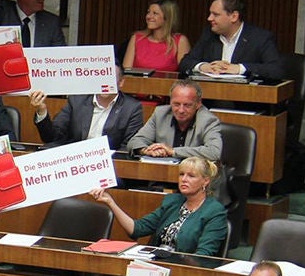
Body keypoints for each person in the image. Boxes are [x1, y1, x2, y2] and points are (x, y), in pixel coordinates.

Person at [89, 156, 227, 255]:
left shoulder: (214, 212)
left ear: (205, 181)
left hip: (183, 272)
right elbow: (136, 229)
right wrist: (110, 202)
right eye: (181, 174)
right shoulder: (172, 202)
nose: (184, 179)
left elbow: (204, 255)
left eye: (191, 176)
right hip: (154, 264)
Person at [179, 0, 288, 80]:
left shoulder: (260, 38)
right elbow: (184, 63)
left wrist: (239, 68)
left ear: (234, 17)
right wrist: (204, 67)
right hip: (210, 101)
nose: (209, 18)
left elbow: (276, 70)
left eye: (215, 14)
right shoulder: (209, 34)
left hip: (245, 102)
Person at [29, 68, 145, 150]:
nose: (105, 82)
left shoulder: (131, 108)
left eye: (110, 78)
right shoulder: (77, 100)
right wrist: (42, 109)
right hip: (75, 163)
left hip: (109, 167)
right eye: (102, 76)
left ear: (121, 82)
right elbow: (52, 137)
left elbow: (127, 148)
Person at [125, 80, 223, 161]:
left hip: (194, 179)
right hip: (163, 175)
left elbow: (213, 152)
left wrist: (172, 151)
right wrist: (146, 150)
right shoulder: (160, 114)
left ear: (198, 104)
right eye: (176, 104)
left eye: (187, 105)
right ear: (170, 102)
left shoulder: (208, 120)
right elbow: (135, 141)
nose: (181, 110)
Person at [122, 0, 191, 73]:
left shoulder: (180, 41)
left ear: (167, 17)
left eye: (155, 13)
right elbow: (126, 72)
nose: (148, 16)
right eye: (148, 12)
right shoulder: (137, 38)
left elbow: (184, 73)